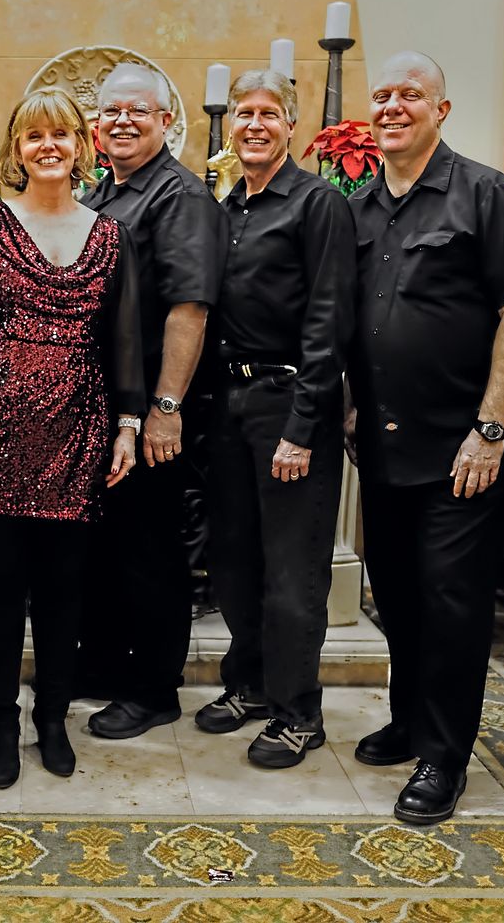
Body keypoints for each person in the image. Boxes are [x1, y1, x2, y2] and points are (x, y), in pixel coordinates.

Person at [346, 51, 504, 823]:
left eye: (411, 94)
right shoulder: (361, 206)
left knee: (453, 605)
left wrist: (490, 428)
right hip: (383, 447)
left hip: (462, 449)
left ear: (442, 109)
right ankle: (409, 719)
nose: (393, 106)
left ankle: (444, 756)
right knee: (397, 596)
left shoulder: (484, 193)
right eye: (383, 95)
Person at [0, 87, 145, 788]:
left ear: (82, 146)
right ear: (17, 150)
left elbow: (125, 338)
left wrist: (129, 424)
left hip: (80, 429)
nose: (48, 147)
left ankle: (52, 720)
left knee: (63, 588)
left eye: (61, 135)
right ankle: (2, 722)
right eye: (34, 136)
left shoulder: (111, 234)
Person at [198, 70, 354, 768]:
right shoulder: (228, 206)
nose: (254, 124)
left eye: (269, 113)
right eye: (243, 113)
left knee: (293, 570)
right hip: (228, 404)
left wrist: (302, 424)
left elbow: (328, 318)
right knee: (235, 560)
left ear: (292, 125)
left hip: (289, 402)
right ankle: (251, 685)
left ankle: (299, 713)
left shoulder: (317, 203)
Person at [76, 63, 226, 740]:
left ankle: (153, 689)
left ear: (166, 121)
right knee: (110, 547)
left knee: (152, 550)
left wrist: (166, 408)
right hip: (103, 408)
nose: (123, 121)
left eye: (139, 110)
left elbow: (189, 308)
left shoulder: (179, 196)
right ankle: (109, 667)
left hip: (150, 411)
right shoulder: (103, 192)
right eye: (112, 111)